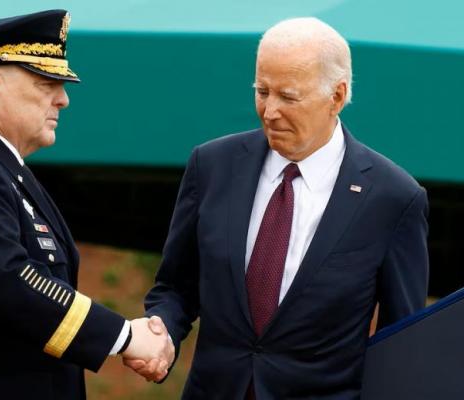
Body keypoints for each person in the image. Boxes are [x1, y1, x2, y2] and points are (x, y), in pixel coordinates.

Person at [126, 17, 429, 399]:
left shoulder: (393, 197)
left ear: (336, 96)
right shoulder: (212, 165)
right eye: (262, 91)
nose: (269, 111)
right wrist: (162, 329)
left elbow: (400, 343)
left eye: (288, 96)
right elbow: (176, 286)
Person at [0, 9, 173, 400]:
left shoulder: (1, 169)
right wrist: (123, 336)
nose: (64, 99)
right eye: (46, 82)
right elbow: (5, 280)